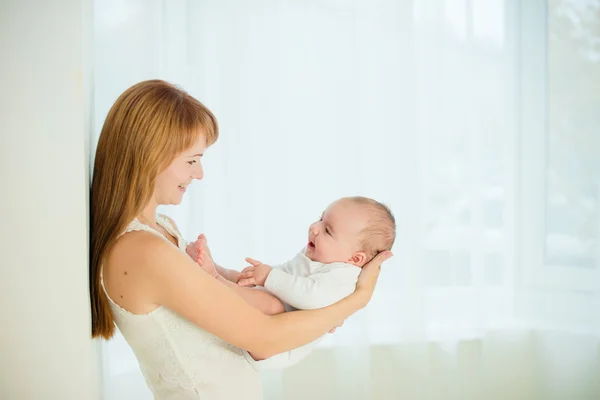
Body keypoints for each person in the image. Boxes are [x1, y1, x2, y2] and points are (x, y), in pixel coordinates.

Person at [89, 79, 393, 400]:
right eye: (191, 160)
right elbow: (265, 338)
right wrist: (355, 301)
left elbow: (233, 293)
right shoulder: (143, 251)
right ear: (150, 156)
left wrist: (317, 308)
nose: (199, 174)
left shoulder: (163, 228)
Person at [185, 196, 396, 370]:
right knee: (246, 279)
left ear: (355, 259)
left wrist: (269, 277)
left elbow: (310, 297)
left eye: (328, 230)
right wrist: (263, 274)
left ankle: (214, 279)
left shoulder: (345, 277)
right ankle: (219, 271)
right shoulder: (318, 257)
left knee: (270, 302)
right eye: (320, 219)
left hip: (280, 347)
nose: (315, 228)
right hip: (266, 318)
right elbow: (288, 272)